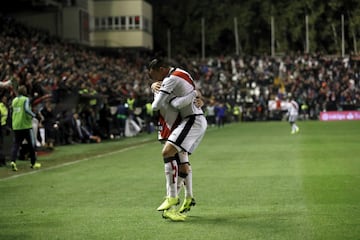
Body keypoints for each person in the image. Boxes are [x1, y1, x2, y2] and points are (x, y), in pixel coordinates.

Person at [148, 58, 207, 221]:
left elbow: (159, 105)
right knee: (183, 164)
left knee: (169, 154)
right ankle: (187, 197)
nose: (153, 80)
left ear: (160, 69)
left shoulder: (170, 80)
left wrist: (155, 90)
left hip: (177, 123)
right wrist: (196, 94)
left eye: (153, 75)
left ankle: (172, 201)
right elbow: (191, 92)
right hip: (181, 122)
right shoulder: (183, 74)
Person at [10, 85, 41, 171]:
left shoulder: (14, 100)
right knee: (31, 144)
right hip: (25, 125)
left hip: (16, 125)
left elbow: (12, 111)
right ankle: (33, 163)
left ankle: (13, 161)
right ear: (25, 91)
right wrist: (34, 115)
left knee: (16, 144)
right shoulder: (25, 99)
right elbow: (27, 109)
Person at [0, 95, 9, 166]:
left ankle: (2, 160)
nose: (5, 100)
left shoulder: (6, 107)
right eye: (4, 99)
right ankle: (1, 161)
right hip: (1, 126)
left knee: (2, 144)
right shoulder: (0, 106)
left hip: (3, 126)